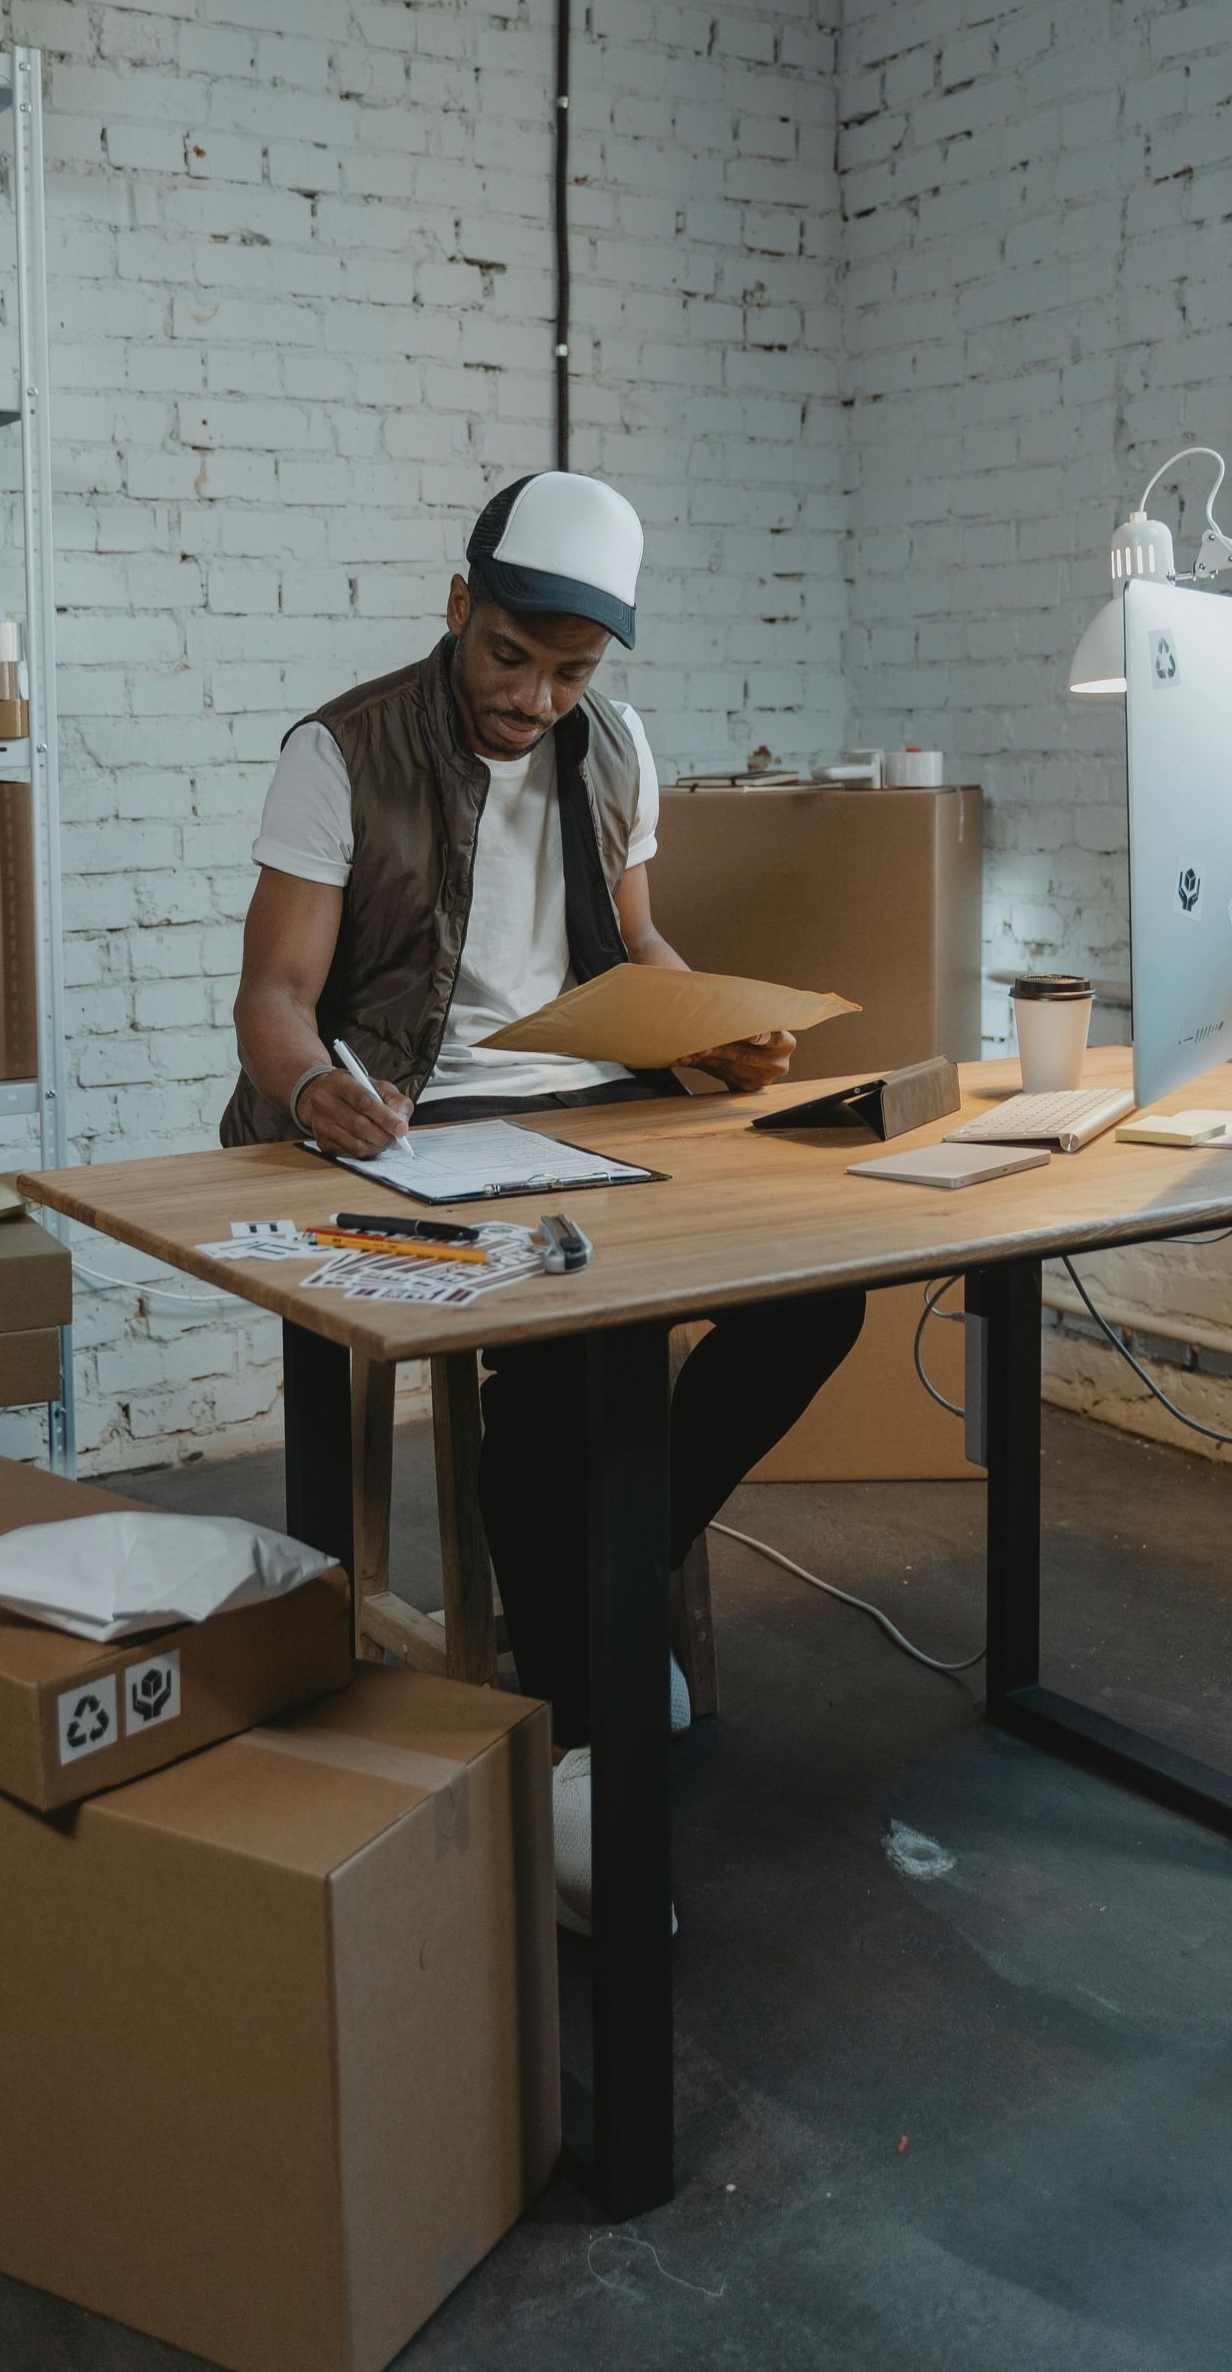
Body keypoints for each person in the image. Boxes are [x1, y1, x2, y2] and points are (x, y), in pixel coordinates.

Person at [225, 472, 864, 1929]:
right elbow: (273, 994)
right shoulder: (341, 751)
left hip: (596, 1109)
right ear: (461, 608)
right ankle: (583, 1737)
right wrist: (313, 1084)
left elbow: (635, 940)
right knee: (561, 1359)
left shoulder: (613, 744)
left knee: (823, 1293)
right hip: (415, 1116)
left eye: (570, 673)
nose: (532, 698)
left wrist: (706, 1022)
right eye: (511, 656)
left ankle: (605, 1604)